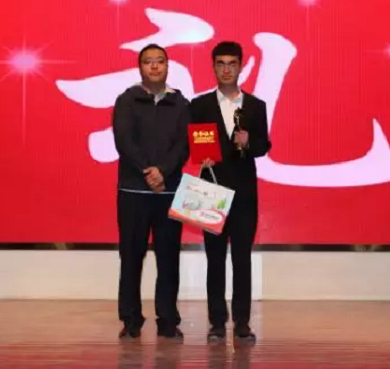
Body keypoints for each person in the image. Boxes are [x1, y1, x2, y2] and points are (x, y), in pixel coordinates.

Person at [189, 41, 271, 343]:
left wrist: (249, 143)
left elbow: (263, 146)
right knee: (214, 260)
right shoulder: (199, 105)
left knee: (241, 259)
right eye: (221, 63)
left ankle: (242, 322)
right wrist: (200, 156)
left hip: (245, 194)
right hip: (210, 189)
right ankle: (216, 322)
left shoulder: (255, 106)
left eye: (232, 63)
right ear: (213, 67)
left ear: (240, 67)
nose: (226, 69)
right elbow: (193, 142)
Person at [112, 43, 190, 340]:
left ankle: (168, 319)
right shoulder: (126, 100)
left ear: (168, 66)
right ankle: (131, 319)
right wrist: (148, 170)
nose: (154, 66)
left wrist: (164, 172)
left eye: (160, 61)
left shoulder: (181, 103)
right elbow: (124, 141)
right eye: (148, 61)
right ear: (140, 67)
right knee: (131, 257)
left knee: (169, 258)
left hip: (168, 191)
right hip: (133, 192)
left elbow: (183, 145)